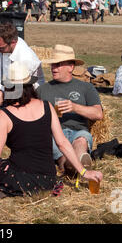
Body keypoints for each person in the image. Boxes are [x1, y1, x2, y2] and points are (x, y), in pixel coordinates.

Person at [0, 61, 103, 198]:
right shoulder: (47, 106)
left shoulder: (5, 115)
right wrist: (84, 172)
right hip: (47, 181)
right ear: (30, 86)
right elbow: (63, 143)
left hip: (19, 179)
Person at [38, 44, 103, 176]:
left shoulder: (86, 87)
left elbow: (98, 114)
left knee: (81, 140)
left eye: (58, 64)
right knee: (48, 141)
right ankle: (68, 165)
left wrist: (74, 107)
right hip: (53, 134)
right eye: (53, 64)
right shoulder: (42, 90)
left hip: (78, 132)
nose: (53, 68)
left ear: (71, 67)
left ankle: (71, 165)